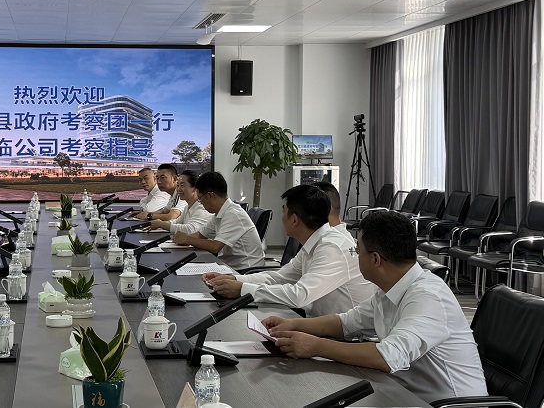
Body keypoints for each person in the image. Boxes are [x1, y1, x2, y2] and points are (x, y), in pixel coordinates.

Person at [263, 211, 487, 403]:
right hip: (402, 394)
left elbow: (388, 357)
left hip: (447, 404)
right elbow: (347, 323)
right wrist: (294, 324)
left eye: (357, 251)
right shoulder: (390, 288)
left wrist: (315, 346)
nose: (356, 255)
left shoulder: (428, 297)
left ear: (376, 259)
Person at [205, 185, 372, 317]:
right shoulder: (315, 242)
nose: (282, 216)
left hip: (347, 337)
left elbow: (299, 296)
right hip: (321, 326)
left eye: (283, 210)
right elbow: (280, 277)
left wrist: (242, 289)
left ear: (294, 220)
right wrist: (234, 279)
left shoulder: (332, 247)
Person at [172, 172, 264, 270]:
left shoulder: (233, 214)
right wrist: (181, 239)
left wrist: (187, 239)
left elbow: (215, 247)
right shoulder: (219, 213)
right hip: (228, 266)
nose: (201, 203)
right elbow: (200, 235)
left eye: (200, 199)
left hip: (244, 270)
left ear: (210, 196)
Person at [149, 170, 212, 234]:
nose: (178, 189)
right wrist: (160, 223)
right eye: (177, 185)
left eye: (182, 185)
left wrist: (162, 225)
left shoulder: (202, 208)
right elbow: (177, 222)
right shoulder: (187, 207)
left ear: (194, 188)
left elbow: (189, 229)